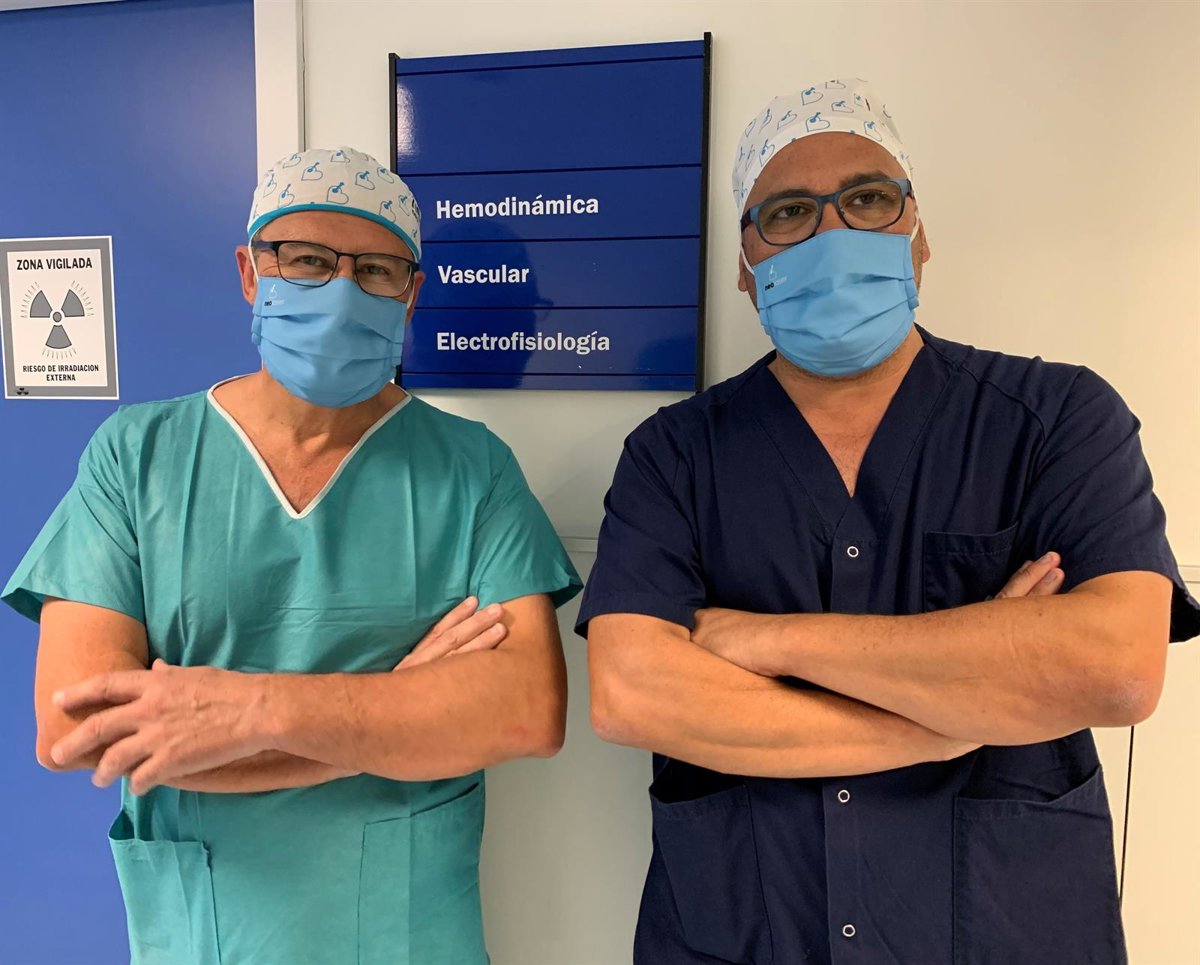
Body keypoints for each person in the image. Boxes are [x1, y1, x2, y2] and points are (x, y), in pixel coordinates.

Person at [579, 80, 1199, 964]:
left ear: (920, 235)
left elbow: (1116, 668)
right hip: (745, 935)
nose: (833, 233)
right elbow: (632, 692)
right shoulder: (674, 454)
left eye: (869, 199)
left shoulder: (1057, 418)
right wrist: (951, 718)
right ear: (746, 267)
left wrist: (766, 639)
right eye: (789, 212)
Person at [2, 146, 581, 965]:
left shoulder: (471, 468)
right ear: (250, 272)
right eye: (307, 260)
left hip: (408, 934)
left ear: (411, 294)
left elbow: (526, 711)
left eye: (376, 270)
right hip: (209, 927)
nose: (342, 292)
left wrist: (247, 712)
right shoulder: (137, 455)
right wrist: (393, 714)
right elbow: (77, 730)